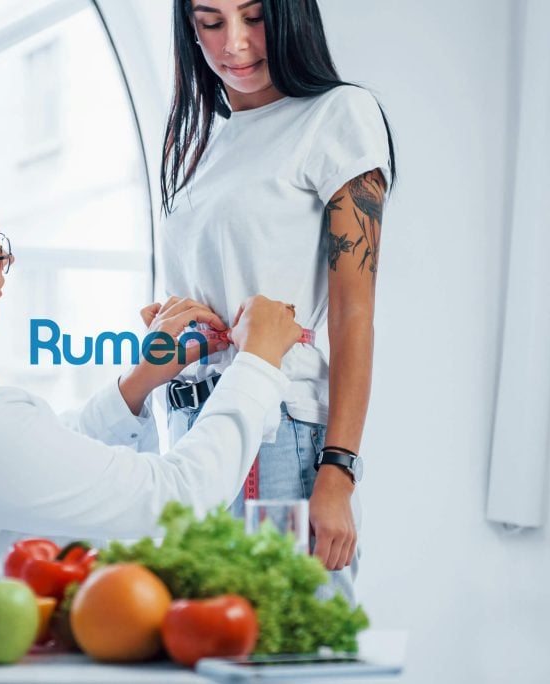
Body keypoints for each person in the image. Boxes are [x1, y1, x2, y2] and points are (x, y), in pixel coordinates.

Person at [0, 153, 304, 613]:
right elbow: (176, 496)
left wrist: (138, 383)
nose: (8, 262)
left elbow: (42, 461)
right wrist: (259, 359)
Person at [158, 0, 397, 605]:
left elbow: (353, 312)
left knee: (286, 652)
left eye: (254, 17)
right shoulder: (206, 140)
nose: (234, 44)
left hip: (277, 433)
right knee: (206, 651)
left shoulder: (337, 115)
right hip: (194, 433)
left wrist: (338, 473)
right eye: (210, 23)